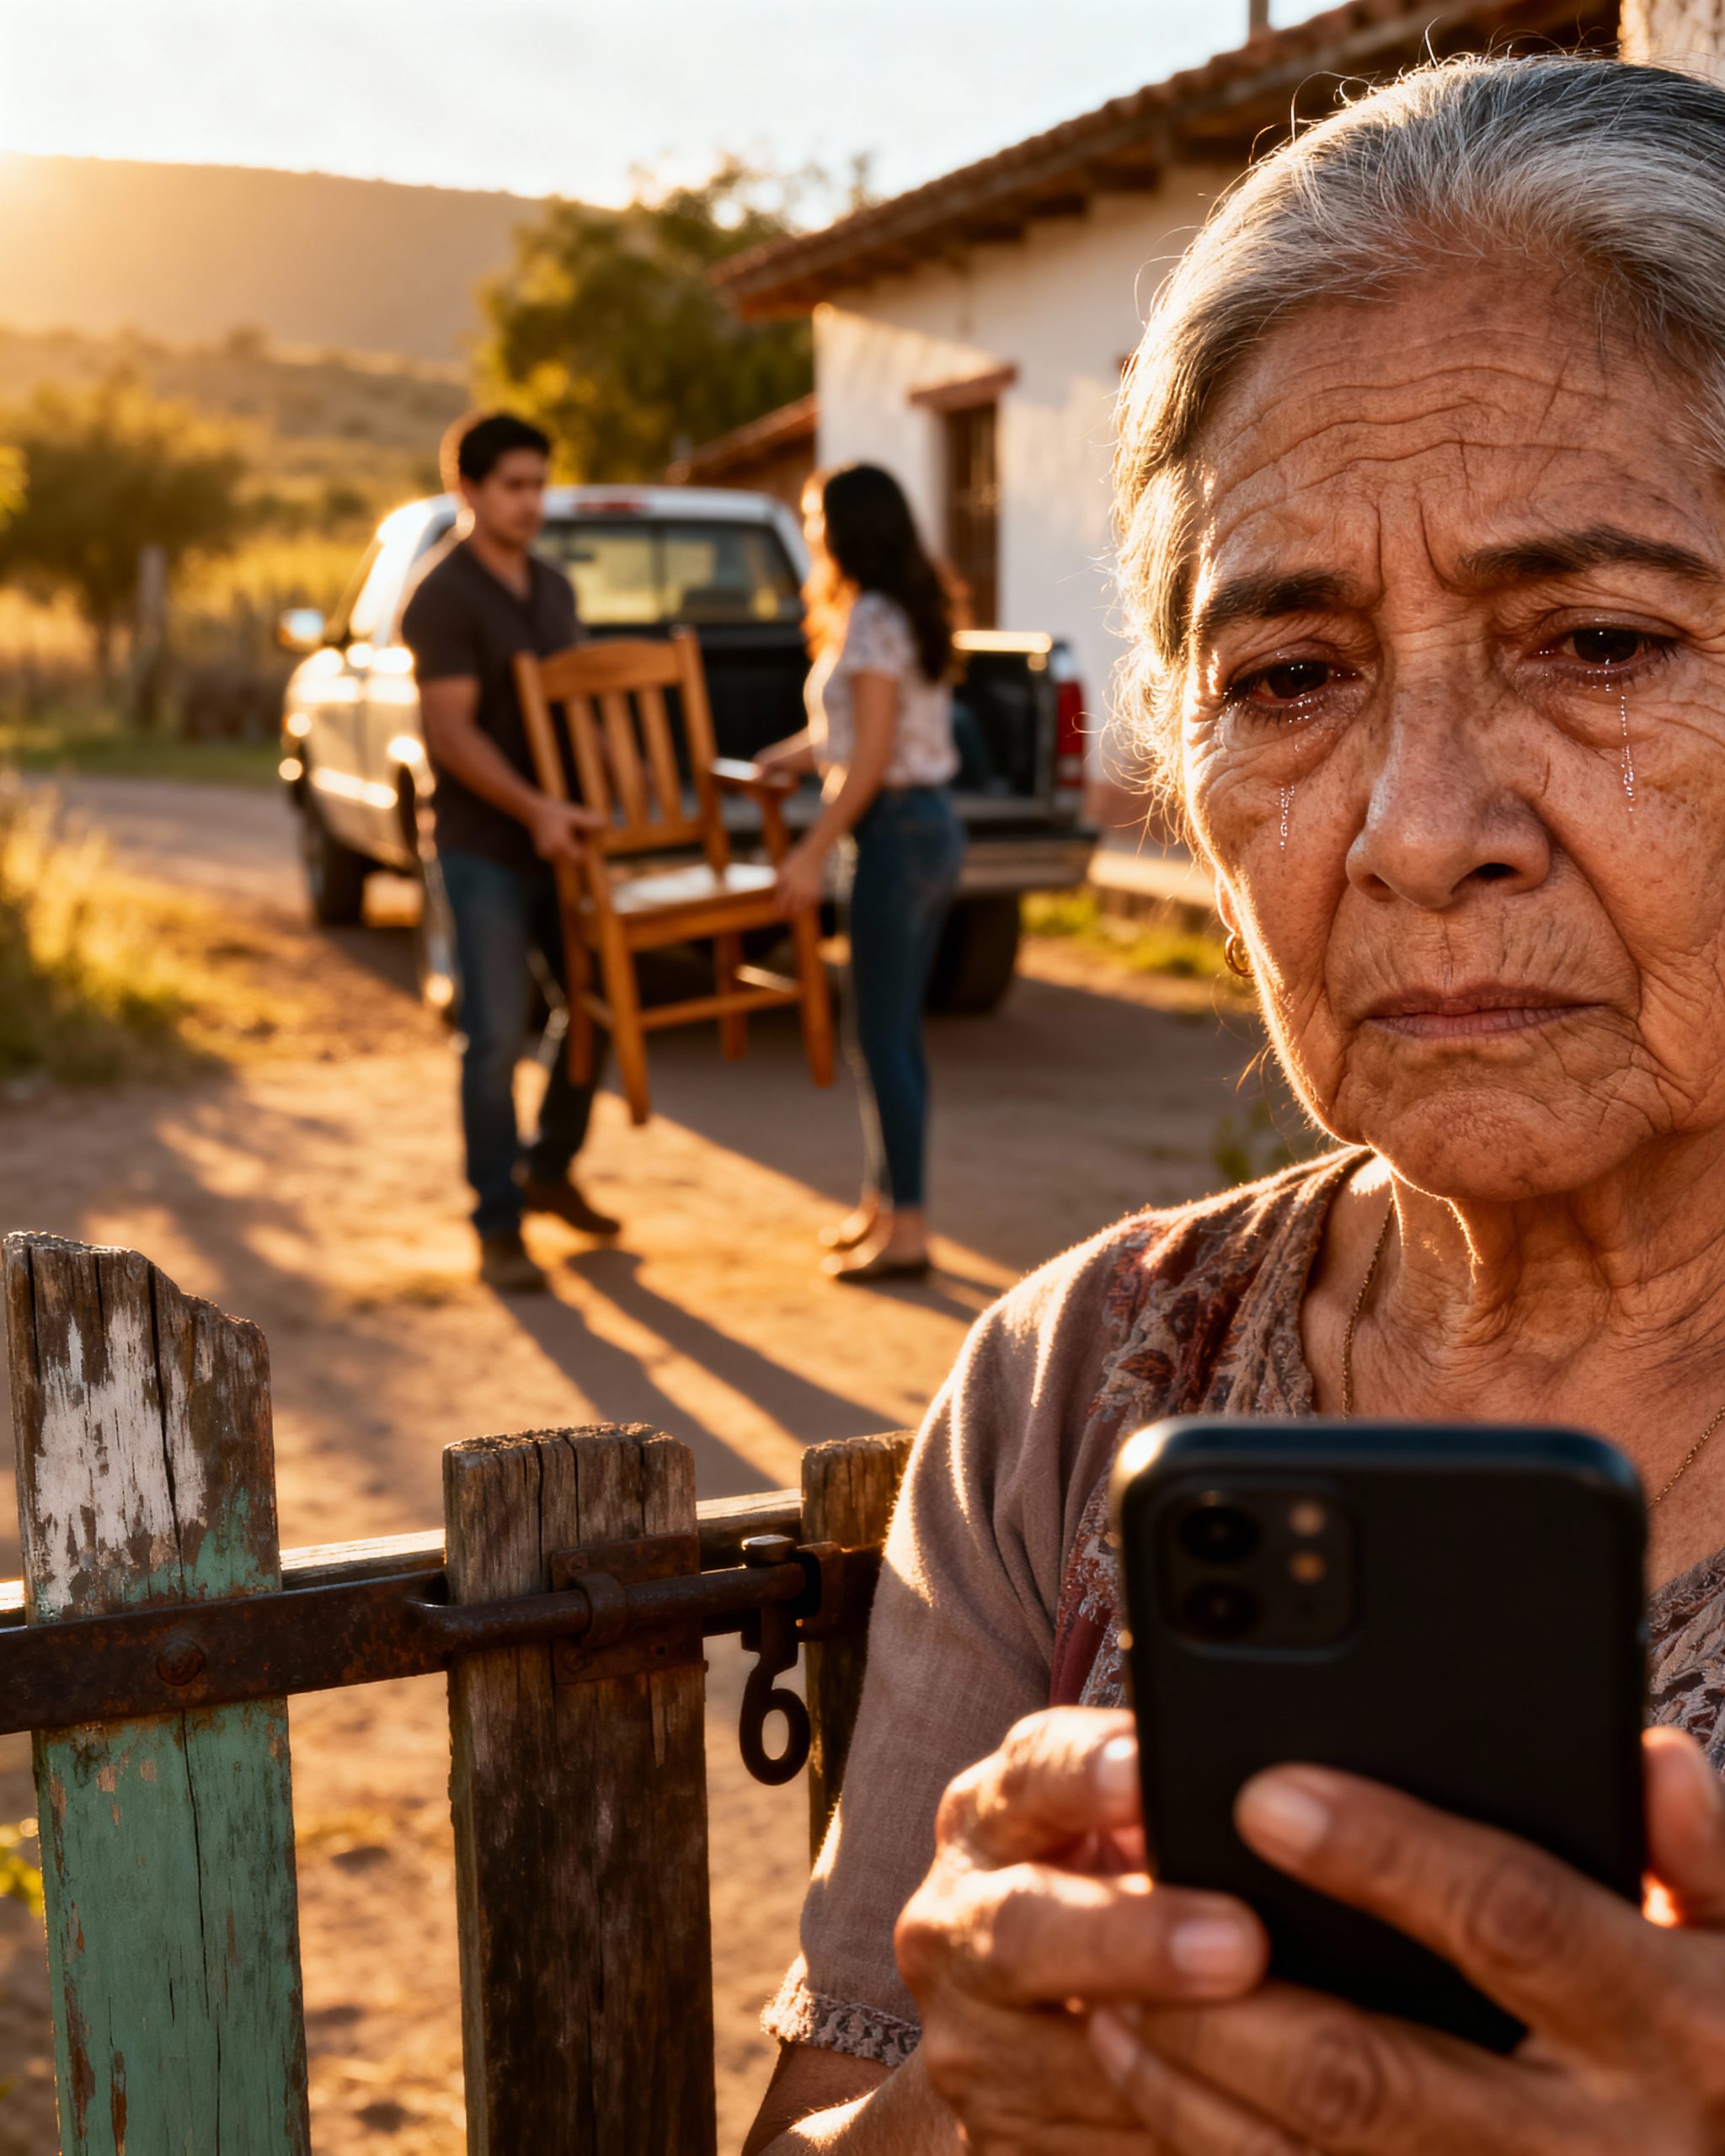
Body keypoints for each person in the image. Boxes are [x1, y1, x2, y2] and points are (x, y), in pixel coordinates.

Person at [745, 53, 1725, 2154]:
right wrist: (975, 2110)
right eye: (1287, 678)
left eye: (1593, 640)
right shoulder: (1082, 1379)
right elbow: (821, 2119)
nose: (1410, 828)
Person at [399, 410, 618, 1296]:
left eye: (540, 484)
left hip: (563, 838)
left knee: (597, 1002)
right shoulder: (441, 596)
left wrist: (625, 790)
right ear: (469, 489)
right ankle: (497, 1222)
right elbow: (449, 732)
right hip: (485, 843)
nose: (532, 503)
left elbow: (576, 707)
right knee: (492, 1036)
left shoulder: (553, 587)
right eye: (514, 486)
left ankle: (548, 1165)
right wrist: (535, 809)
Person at [754, 464, 964, 1282]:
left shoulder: (873, 617)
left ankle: (906, 1228)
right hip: (921, 825)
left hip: (896, 830)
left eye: (813, 517)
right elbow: (857, 735)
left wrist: (809, 851)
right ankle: (884, 1207)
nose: (808, 531)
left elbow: (871, 759)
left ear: (845, 528)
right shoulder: (889, 611)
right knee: (887, 1033)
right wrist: (784, 757)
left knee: (880, 1036)